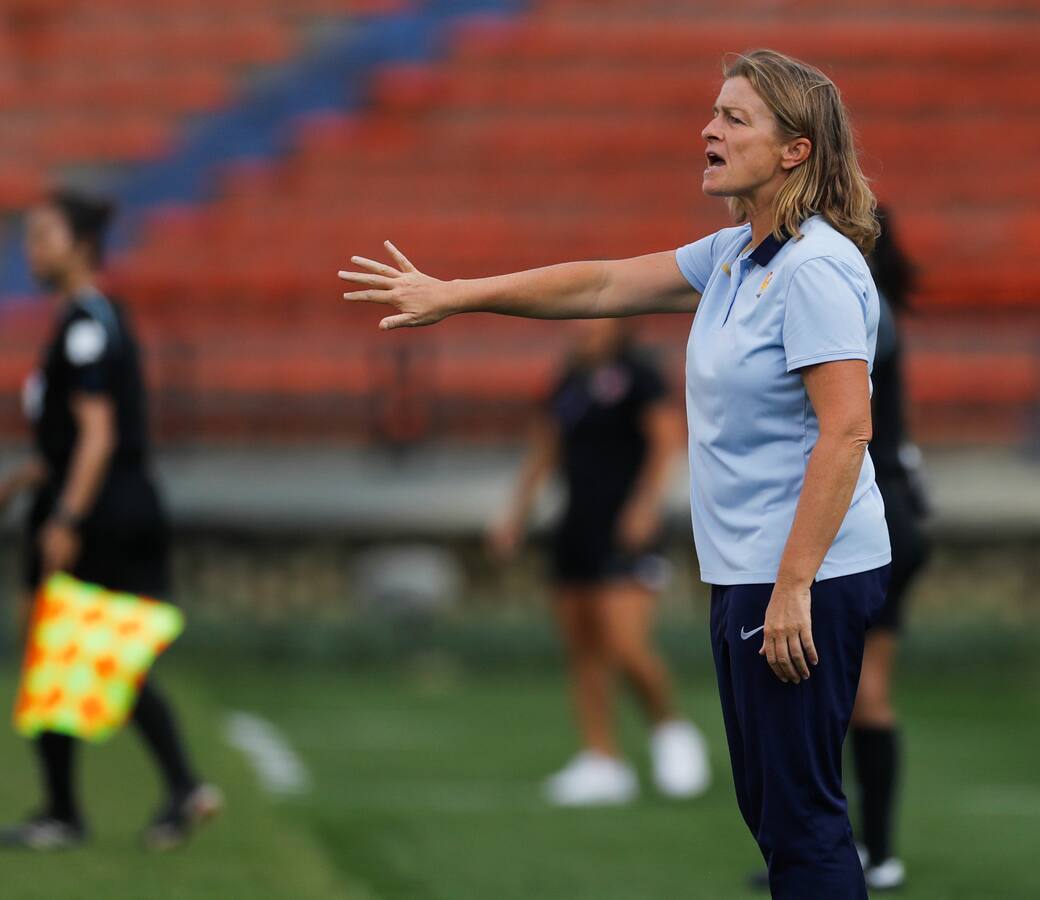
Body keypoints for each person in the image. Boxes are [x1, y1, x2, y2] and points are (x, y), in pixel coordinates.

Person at [341, 49, 890, 898]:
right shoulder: (740, 255)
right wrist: (457, 293)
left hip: (801, 574)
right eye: (713, 112)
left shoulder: (814, 267)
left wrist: (793, 583)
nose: (709, 129)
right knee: (777, 816)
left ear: (797, 150)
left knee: (802, 820)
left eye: (735, 118)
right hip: (752, 570)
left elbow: (847, 429)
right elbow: (599, 284)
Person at [0, 189, 221, 851]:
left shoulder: (89, 323)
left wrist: (64, 514)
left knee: (79, 653)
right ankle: (148, 794)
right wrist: (24, 479)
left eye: (44, 237)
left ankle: (84, 808)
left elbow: (98, 434)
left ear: (82, 246)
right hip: (94, 503)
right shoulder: (83, 318)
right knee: (79, 657)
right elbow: (74, 437)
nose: (31, 249)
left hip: (99, 514)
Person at [488, 319, 710, 806]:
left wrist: (645, 505)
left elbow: (666, 440)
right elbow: (545, 453)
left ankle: (671, 730)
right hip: (576, 527)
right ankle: (601, 758)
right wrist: (515, 517)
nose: (582, 327)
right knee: (583, 646)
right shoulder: (569, 382)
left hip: (626, 529)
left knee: (626, 643)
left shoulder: (639, 375)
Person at [848, 207, 931, 891]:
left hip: (877, 511)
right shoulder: (870, 296)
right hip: (897, 506)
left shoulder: (853, 297)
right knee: (852, 690)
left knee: (860, 694)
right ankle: (860, 847)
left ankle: (872, 851)